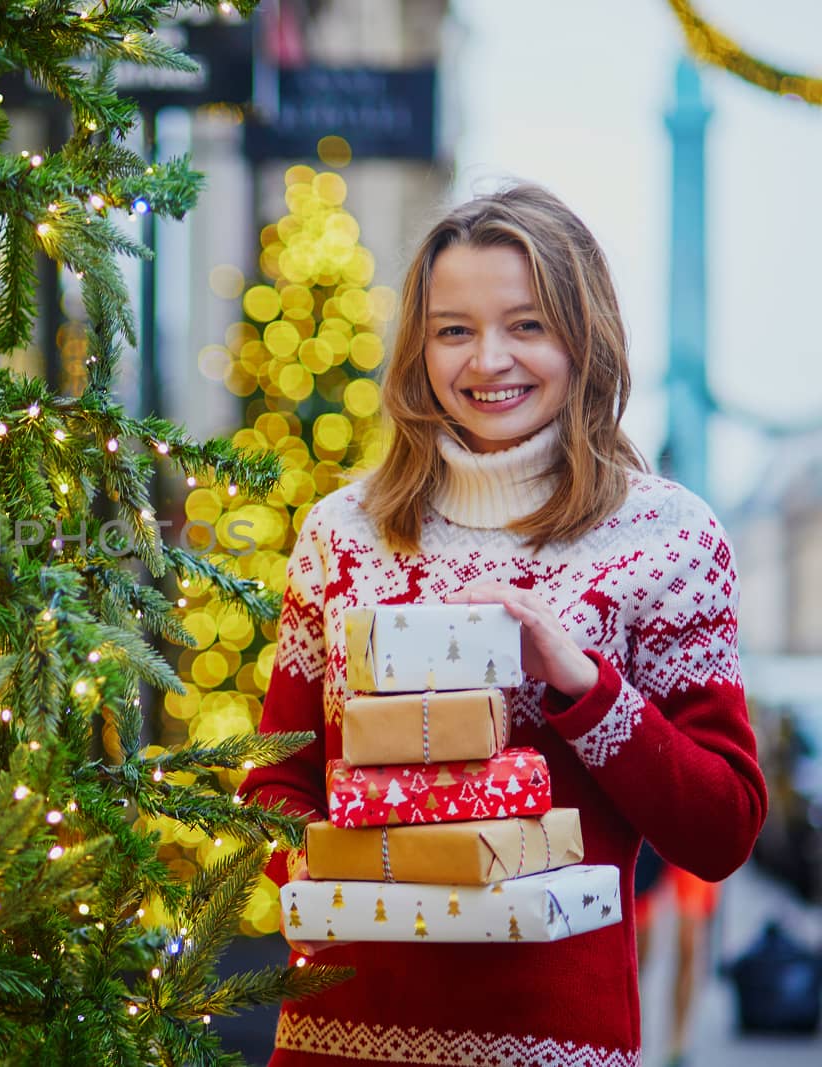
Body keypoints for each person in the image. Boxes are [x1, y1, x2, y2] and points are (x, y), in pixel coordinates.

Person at [240, 182, 767, 1066]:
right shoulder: (343, 534)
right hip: (339, 1038)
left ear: (582, 335)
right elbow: (274, 785)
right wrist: (355, 881)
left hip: (555, 1044)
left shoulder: (669, 539)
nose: (488, 360)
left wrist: (587, 688)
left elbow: (722, 830)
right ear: (419, 347)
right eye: (454, 329)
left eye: (527, 325)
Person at [635, 842, 721, 1067]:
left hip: (693, 830)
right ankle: (635, 1034)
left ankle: (678, 1046)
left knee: (689, 941)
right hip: (648, 829)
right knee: (637, 949)